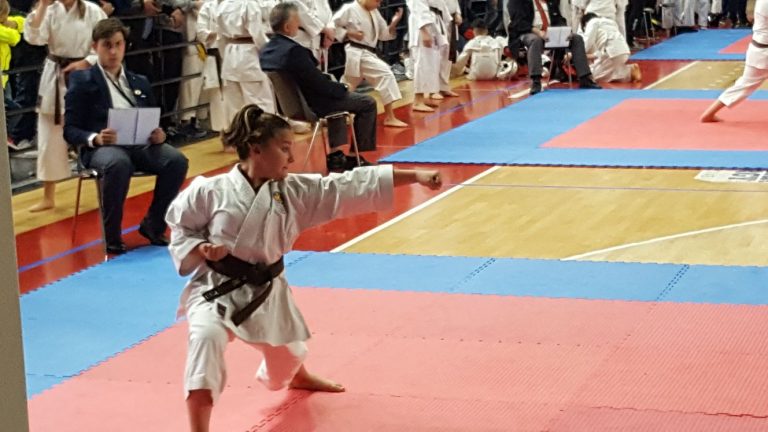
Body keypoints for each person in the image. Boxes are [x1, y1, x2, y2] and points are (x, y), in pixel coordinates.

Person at [165, 103, 441, 432]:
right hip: (216, 290)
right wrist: (200, 248)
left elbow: (349, 185)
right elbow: (181, 228)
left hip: (267, 293)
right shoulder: (209, 191)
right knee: (205, 341)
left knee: (285, 360)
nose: (292, 158)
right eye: (284, 149)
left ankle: (298, 375)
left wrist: (415, 175)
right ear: (255, 149)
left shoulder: (294, 191)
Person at [63, 18, 189, 254]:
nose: (113, 51)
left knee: (176, 161)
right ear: (95, 47)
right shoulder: (82, 81)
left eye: (118, 44)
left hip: (140, 144)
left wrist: (159, 134)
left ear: (125, 46)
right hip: (102, 149)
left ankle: (154, 224)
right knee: (118, 163)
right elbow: (70, 130)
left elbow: (154, 118)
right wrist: (95, 138)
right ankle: (112, 235)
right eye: (107, 45)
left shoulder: (140, 81)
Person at [260, 2, 377, 171]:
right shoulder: (293, 51)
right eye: (297, 21)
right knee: (367, 103)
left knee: (338, 103)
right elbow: (318, 84)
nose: (299, 24)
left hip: (290, 106)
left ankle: (337, 156)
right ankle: (355, 156)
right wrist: (343, 88)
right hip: (312, 104)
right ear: (287, 27)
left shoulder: (266, 51)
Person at [24, 0, 107, 211]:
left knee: (94, 132)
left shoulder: (93, 11)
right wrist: (42, 6)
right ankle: (48, 196)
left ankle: (105, 190)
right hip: (56, 74)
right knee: (49, 137)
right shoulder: (49, 10)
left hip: (86, 74)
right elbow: (33, 37)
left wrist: (86, 62)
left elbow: (107, 41)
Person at [332, 0, 408, 127]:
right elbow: (332, 26)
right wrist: (350, 33)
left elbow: (384, 34)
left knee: (348, 85)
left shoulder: (374, 12)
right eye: (377, 1)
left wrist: (394, 22)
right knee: (386, 74)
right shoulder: (349, 8)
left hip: (367, 53)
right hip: (357, 51)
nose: (378, 5)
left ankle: (336, 114)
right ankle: (390, 117)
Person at [507, 0, 602, 94]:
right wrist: (539, 32)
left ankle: (585, 78)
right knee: (535, 40)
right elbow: (518, 23)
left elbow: (559, 19)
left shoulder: (550, 1)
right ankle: (536, 81)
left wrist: (565, 31)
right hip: (527, 32)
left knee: (576, 39)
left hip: (550, 33)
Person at [701, 0, 767, 122]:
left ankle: (709, 113)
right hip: (763, 51)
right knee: (744, 85)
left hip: (757, 50)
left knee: (743, 85)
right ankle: (708, 114)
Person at [406, 0, 452, 112]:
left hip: (433, 21)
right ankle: (417, 100)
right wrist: (423, 30)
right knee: (423, 62)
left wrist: (447, 19)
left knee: (432, 62)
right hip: (422, 26)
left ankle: (423, 97)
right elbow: (416, 6)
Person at [581, 13, 641, 83]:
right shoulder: (610, 22)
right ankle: (628, 71)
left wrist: (577, 54)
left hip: (612, 53)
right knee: (607, 70)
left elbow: (587, 44)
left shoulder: (592, 23)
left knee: (592, 76)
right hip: (624, 52)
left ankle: (629, 72)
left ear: (586, 23)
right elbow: (600, 52)